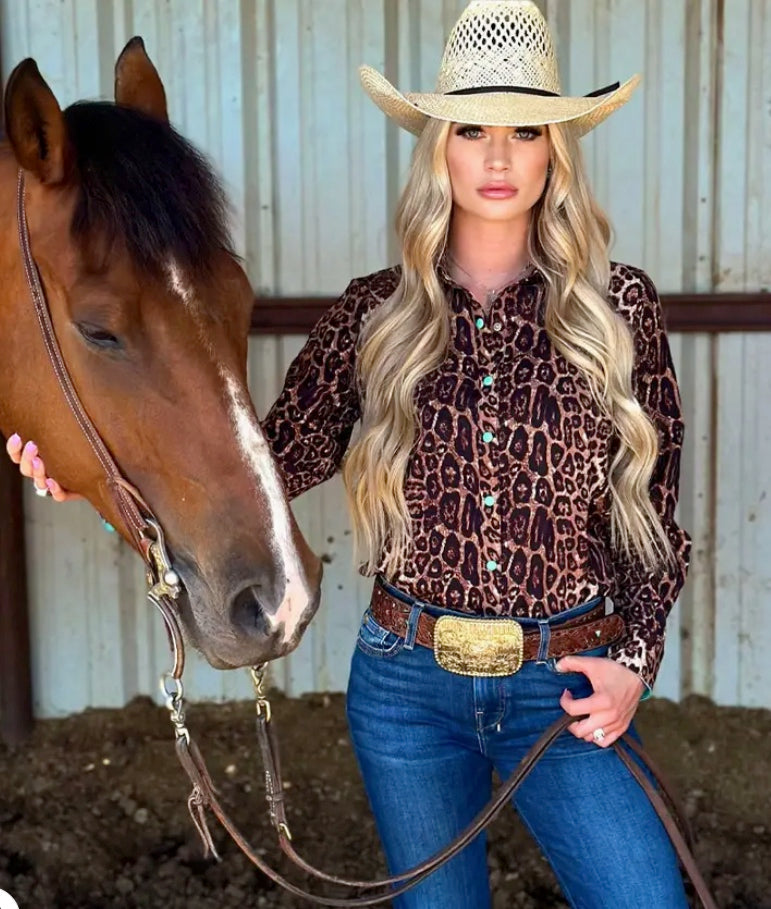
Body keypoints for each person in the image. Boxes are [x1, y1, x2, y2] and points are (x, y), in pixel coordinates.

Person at [9, 2, 692, 906]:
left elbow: (657, 512)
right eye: (470, 130)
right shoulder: (371, 315)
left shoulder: (621, 310)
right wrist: (83, 463)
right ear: (436, 147)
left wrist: (634, 663)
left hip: (561, 685)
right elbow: (264, 463)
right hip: (405, 688)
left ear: (553, 153)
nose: (496, 157)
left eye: (525, 131)